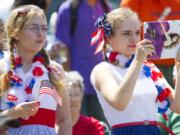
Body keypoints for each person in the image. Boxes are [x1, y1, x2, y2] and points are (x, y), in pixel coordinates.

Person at [90, 7, 180, 135]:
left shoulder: (149, 68)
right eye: (127, 33)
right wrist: (138, 61)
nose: (134, 39)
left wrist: (178, 66)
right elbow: (120, 103)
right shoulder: (103, 70)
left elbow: (177, 106)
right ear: (109, 38)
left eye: (137, 32)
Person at [0, 5, 72, 135]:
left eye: (44, 28)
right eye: (33, 28)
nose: (41, 33)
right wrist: (12, 113)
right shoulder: (2, 68)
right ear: (16, 33)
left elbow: (64, 120)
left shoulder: (54, 71)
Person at [55, 0, 110, 123]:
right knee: (76, 124)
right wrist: (66, 80)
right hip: (75, 84)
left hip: (101, 82)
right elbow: (61, 49)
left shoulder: (106, 8)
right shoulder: (68, 9)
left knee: (102, 126)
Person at [66, 71, 106, 135]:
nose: (73, 99)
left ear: (82, 96)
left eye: (77, 94)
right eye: (69, 95)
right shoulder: (50, 126)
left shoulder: (93, 125)